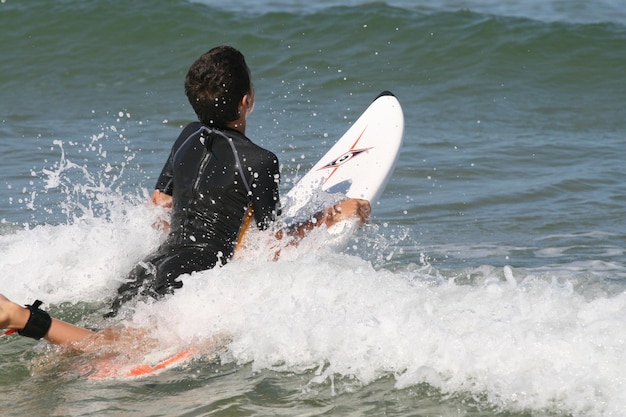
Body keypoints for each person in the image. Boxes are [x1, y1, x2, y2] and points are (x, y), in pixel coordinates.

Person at [2, 46, 370, 346]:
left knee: (103, 338)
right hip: (192, 277)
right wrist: (333, 214)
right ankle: (18, 315)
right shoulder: (260, 161)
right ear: (247, 100)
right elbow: (271, 244)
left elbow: (160, 203)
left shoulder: (189, 135)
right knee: (110, 348)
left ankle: (31, 329)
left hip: (152, 265)